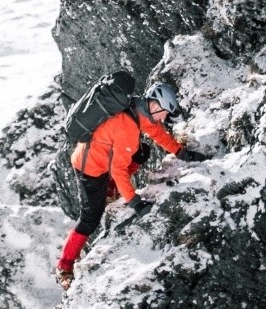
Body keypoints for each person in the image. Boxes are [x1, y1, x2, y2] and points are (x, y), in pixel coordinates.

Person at [55, 81, 208, 291]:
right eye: (164, 113)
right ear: (155, 106)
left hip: (102, 154)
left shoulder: (138, 108)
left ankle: (110, 190)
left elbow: (157, 133)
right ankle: (64, 266)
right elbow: (118, 170)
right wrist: (135, 202)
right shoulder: (126, 127)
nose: (164, 118)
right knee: (90, 218)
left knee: (142, 150)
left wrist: (181, 152)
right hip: (90, 167)